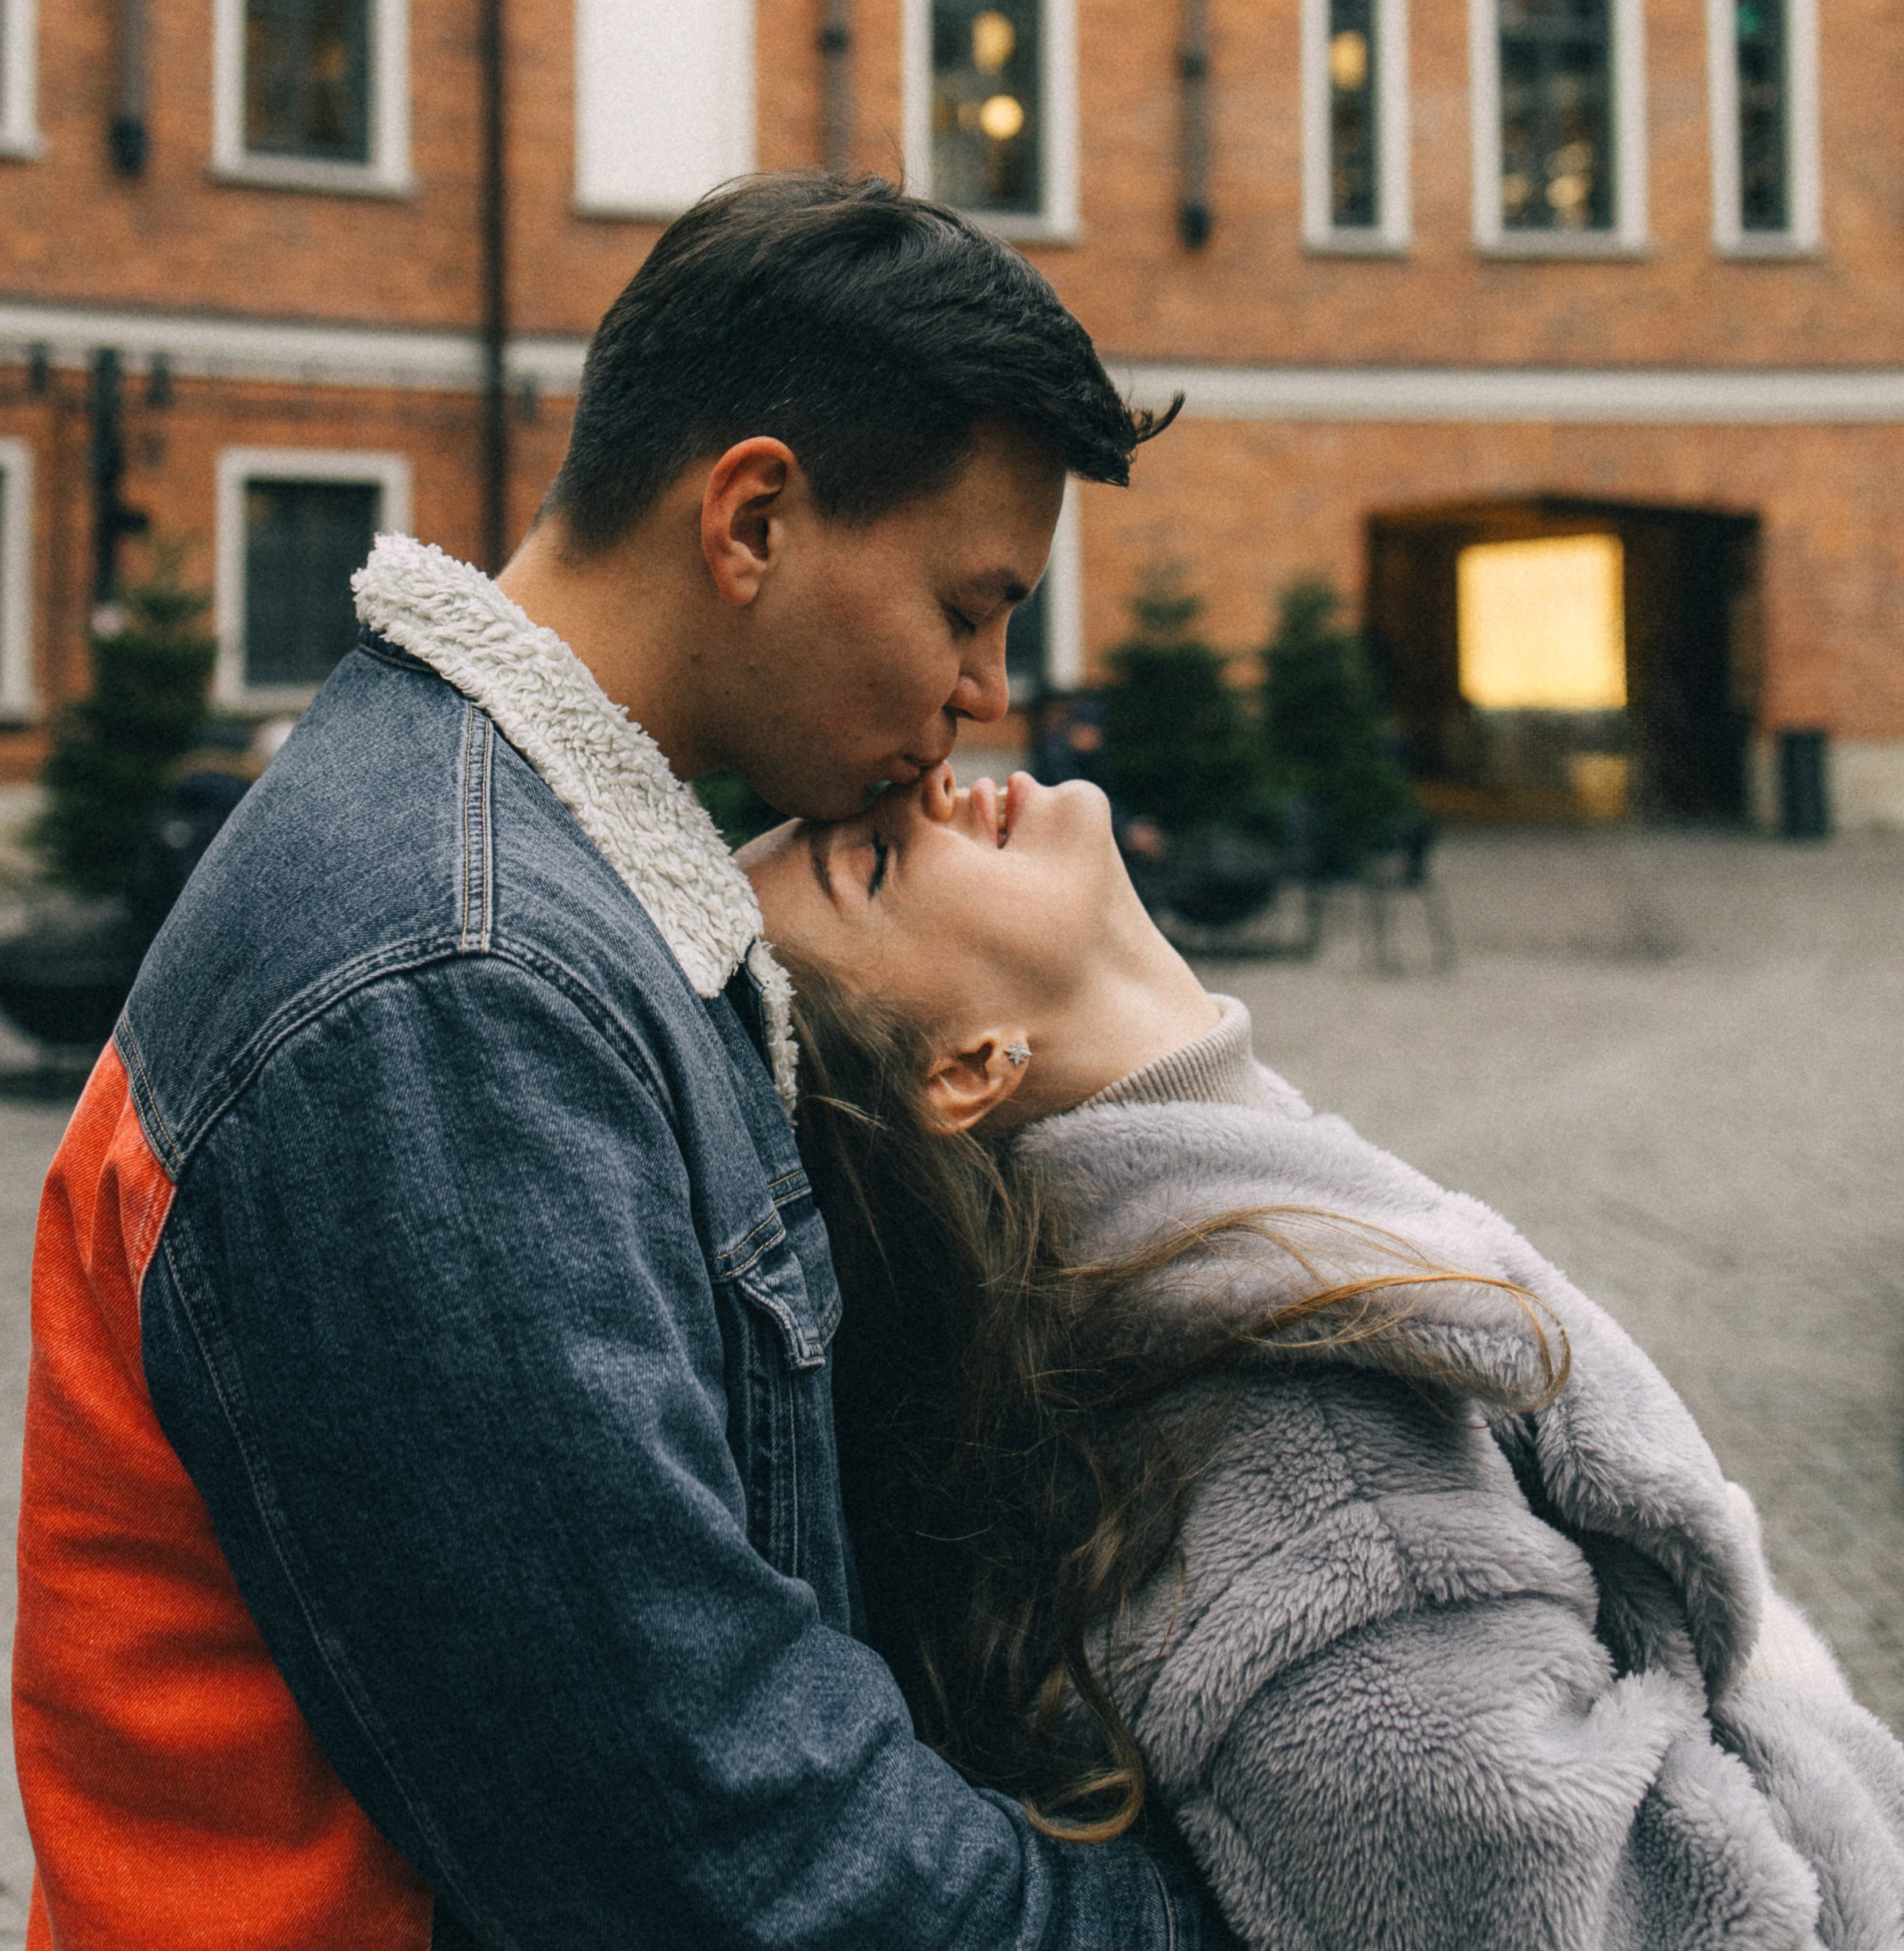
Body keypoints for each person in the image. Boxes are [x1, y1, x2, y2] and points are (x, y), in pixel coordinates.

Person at [13, 176, 1222, 1949]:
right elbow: (714, 1865)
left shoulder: (520, 895)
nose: (984, 687)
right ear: (752, 520)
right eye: (972, 606)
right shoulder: (451, 984)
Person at [742, 762, 1904, 1951]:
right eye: (876, 862)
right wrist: (1792, 1696)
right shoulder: (1292, 1464)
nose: (932, 781)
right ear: (968, 1064)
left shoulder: (1244, 1235)